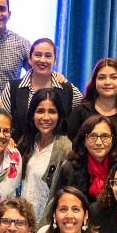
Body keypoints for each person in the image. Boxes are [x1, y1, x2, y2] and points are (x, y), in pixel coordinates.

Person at [8, 38, 79, 143]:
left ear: (55, 60)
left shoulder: (68, 90)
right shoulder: (12, 88)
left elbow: (84, 115)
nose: (42, 60)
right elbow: (1, 119)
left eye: (48, 56)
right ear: (30, 59)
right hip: (19, 150)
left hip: (57, 152)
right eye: (38, 55)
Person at [17, 88, 72, 216]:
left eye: (52, 112)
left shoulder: (66, 149)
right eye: (40, 111)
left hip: (46, 222)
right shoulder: (26, 142)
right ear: (32, 114)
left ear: (59, 116)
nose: (46, 117)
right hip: (21, 219)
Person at [65, 58, 117, 144]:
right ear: (94, 82)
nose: (107, 82)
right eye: (101, 78)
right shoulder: (81, 111)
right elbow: (69, 145)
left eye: (114, 77)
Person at [55, 113, 117, 204]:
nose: (98, 142)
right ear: (84, 141)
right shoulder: (69, 168)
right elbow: (60, 202)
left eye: (105, 136)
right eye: (92, 136)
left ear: (113, 140)